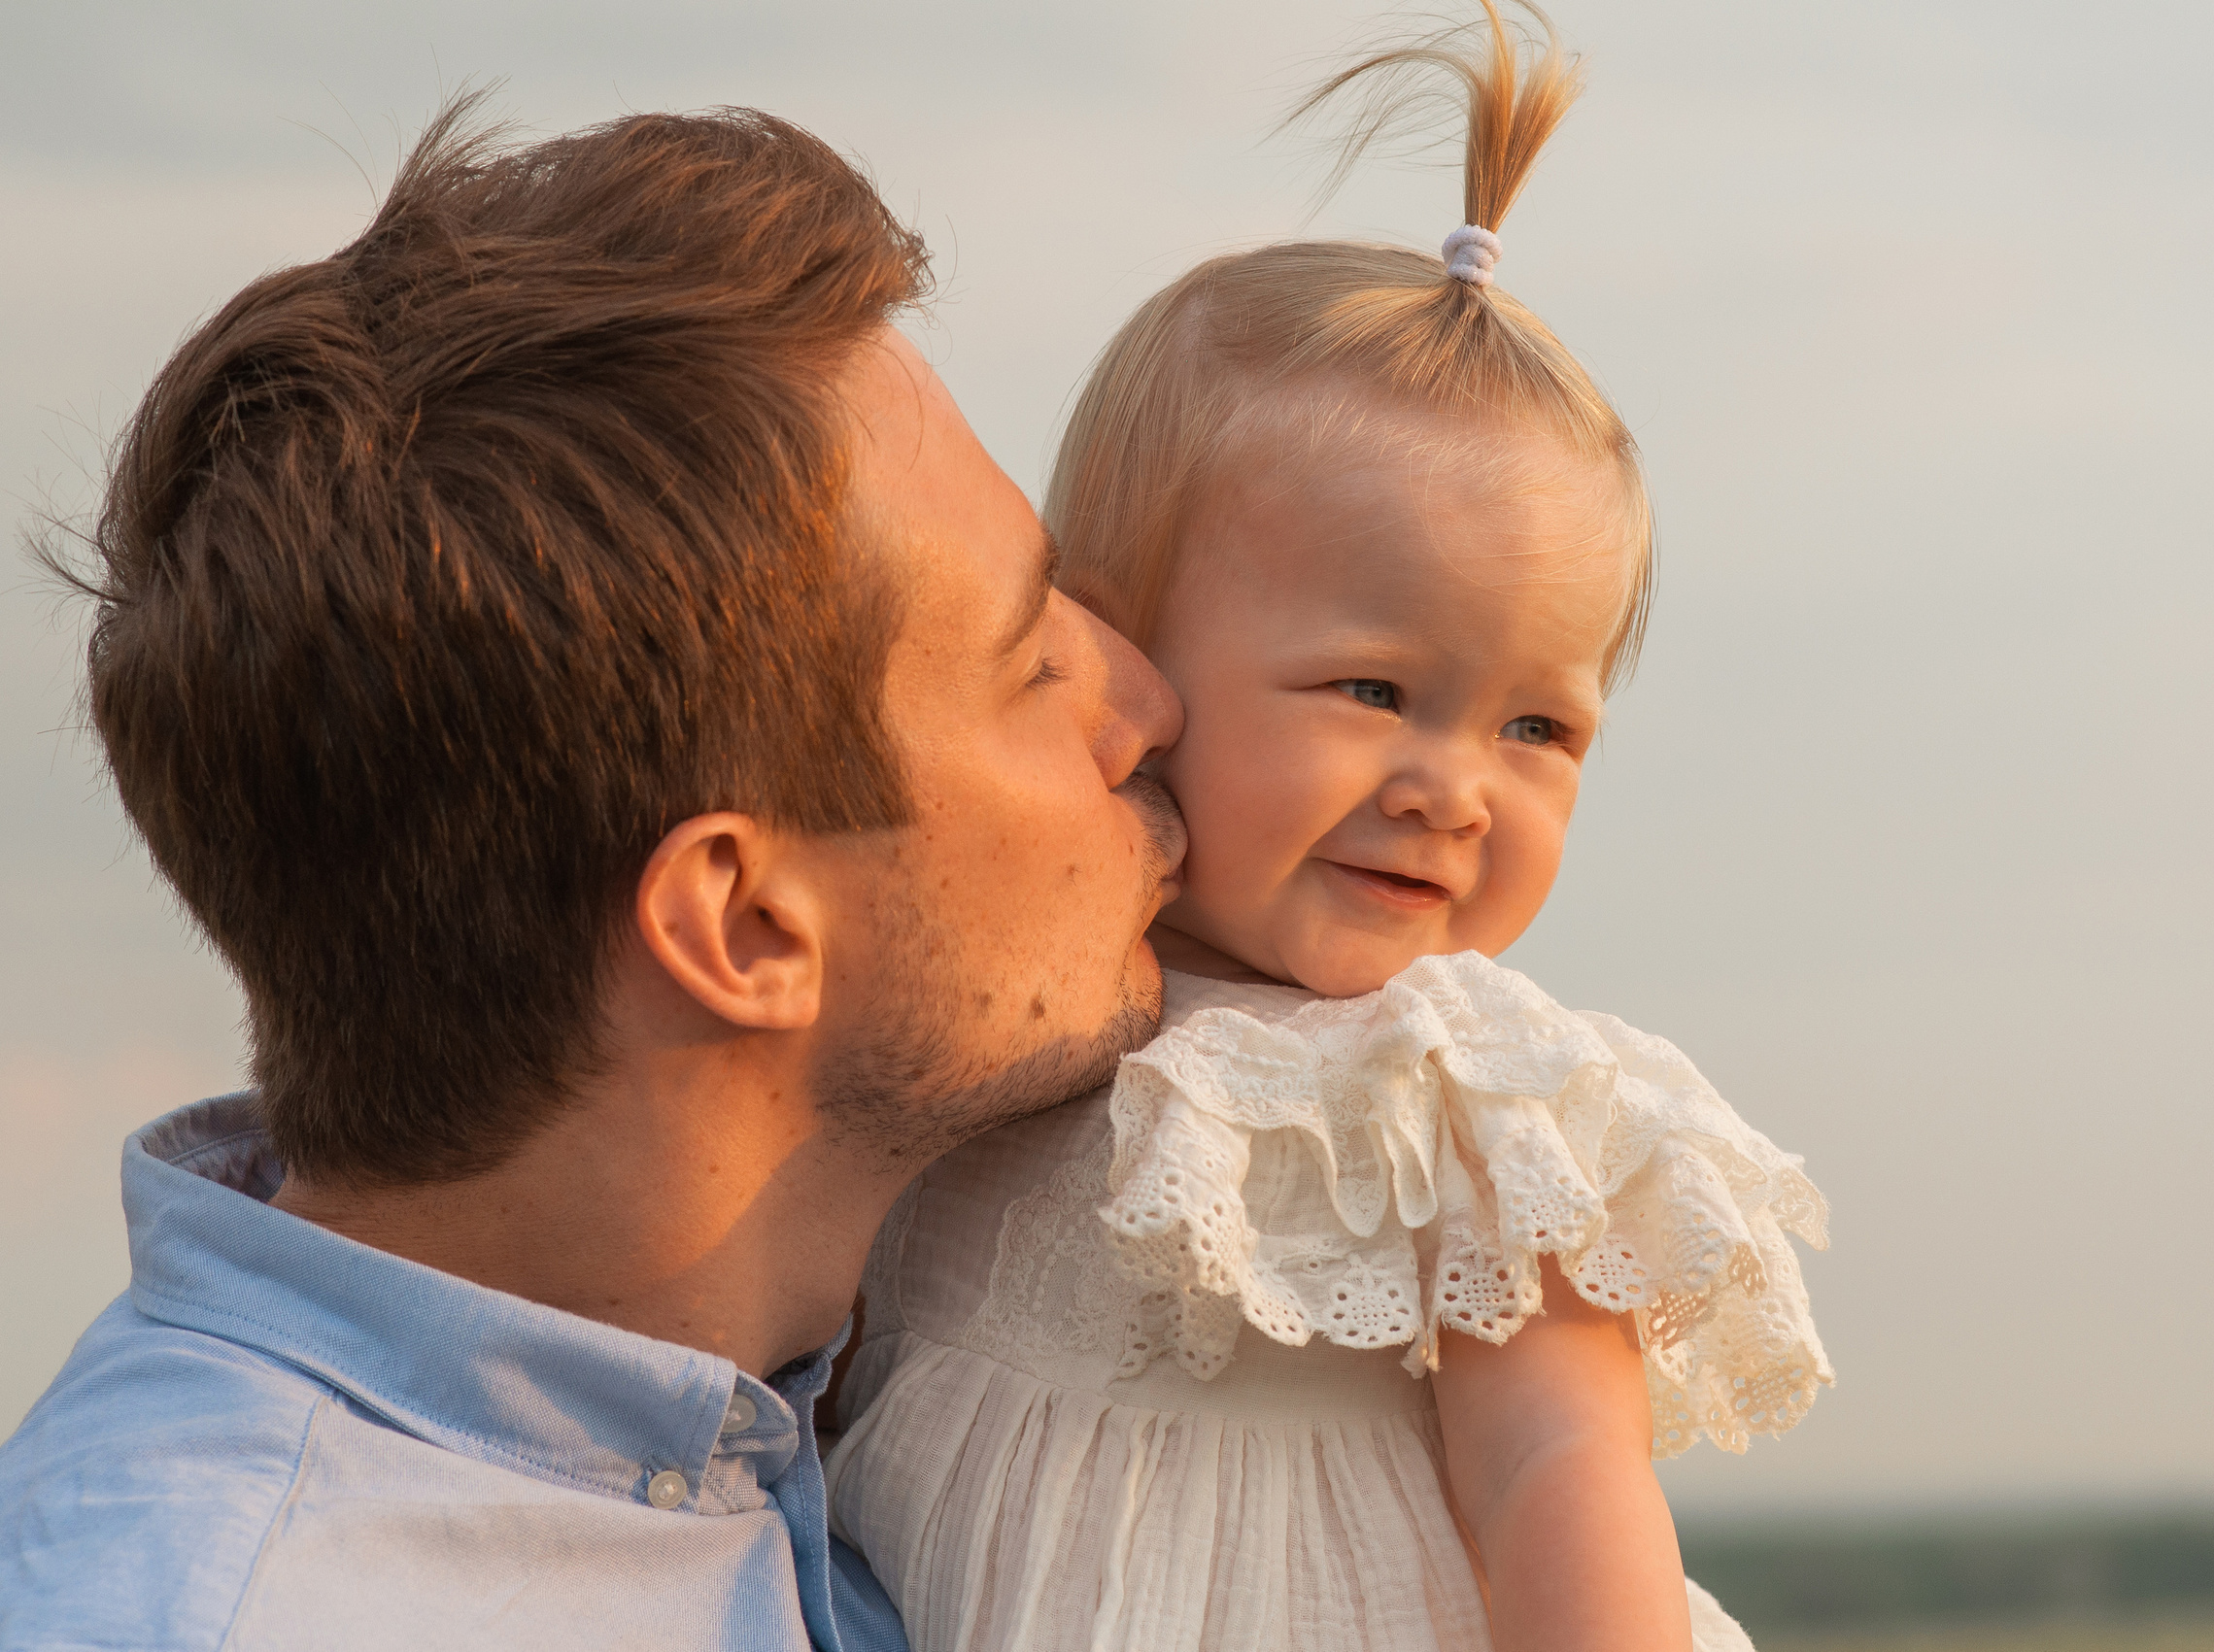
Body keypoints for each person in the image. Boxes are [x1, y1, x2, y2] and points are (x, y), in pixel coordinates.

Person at [0, 97, 1184, 1651]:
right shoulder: (210, 1612)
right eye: (1034, 660)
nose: (1148, 703)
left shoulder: (871, 1398)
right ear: (746, 923)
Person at [821, 7, 1833, 1651]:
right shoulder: (996, 994)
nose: (1457, 783)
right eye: (1375, 688)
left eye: (1537, 727)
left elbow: (1560, 1461)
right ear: (1125, 652)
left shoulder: (1463, 1085)